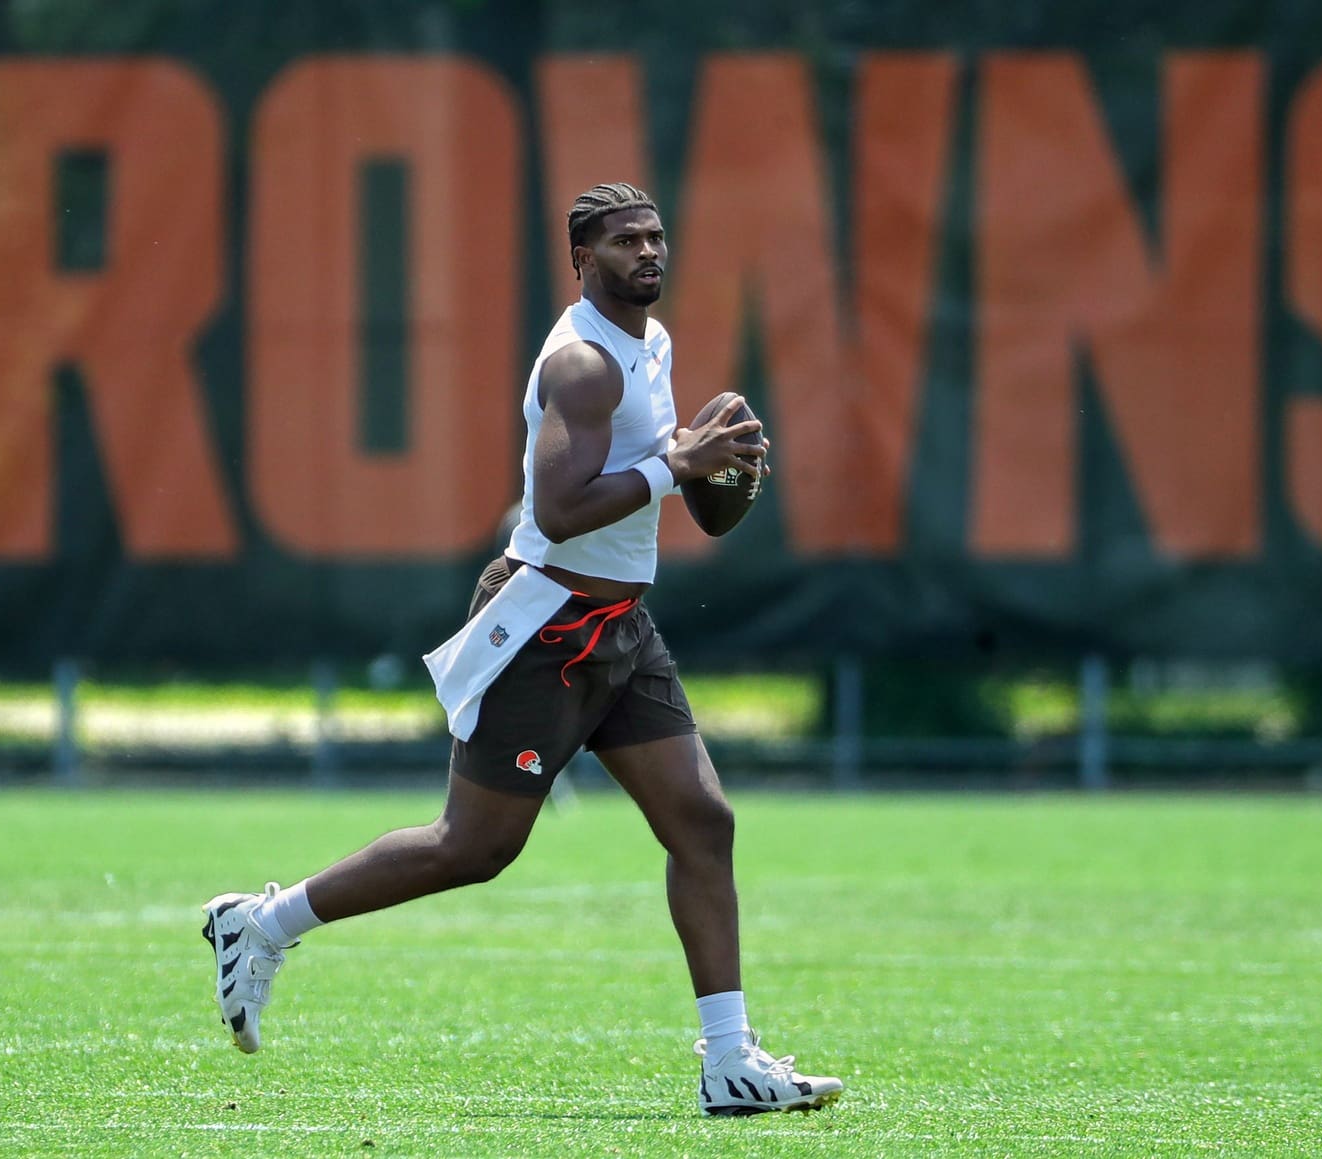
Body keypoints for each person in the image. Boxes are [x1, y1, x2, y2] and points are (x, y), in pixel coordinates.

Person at [201, 182, 842, 1116]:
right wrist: (678, 464)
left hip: (620, 621)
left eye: (657, 236)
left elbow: (683, 492)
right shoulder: (582, 363)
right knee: (474, 846)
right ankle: (261, 922)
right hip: (547, 621)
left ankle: (729, 1060)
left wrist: (715, 466)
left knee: (703, 822)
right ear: (582, 260)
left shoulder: (650, 342)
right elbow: (559, 508)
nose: (649, 252)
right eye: (625, 241)